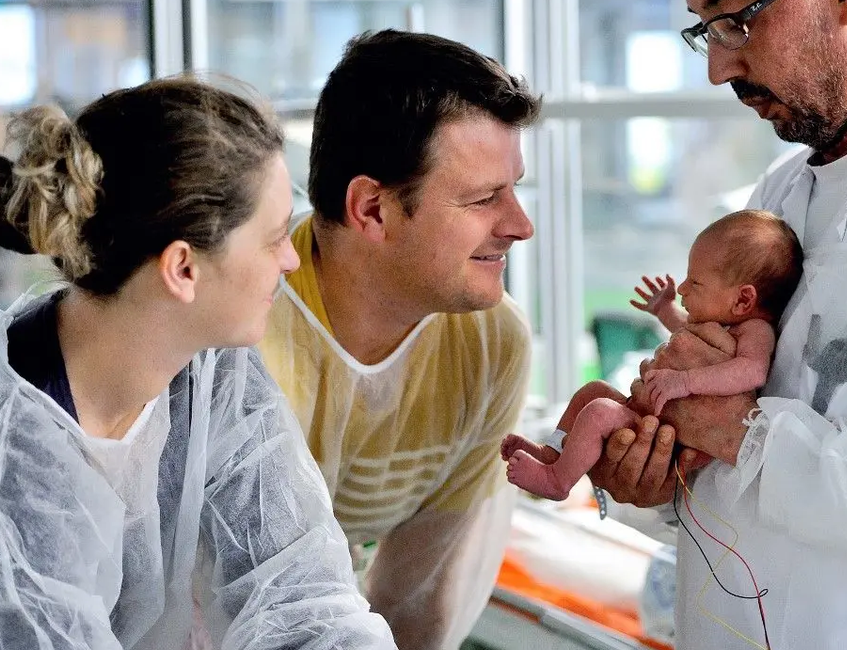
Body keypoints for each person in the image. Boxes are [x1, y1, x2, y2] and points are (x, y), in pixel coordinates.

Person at [589, 0, 847, 648]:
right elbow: (740, 486)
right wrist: (660, 470)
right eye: (704, 29)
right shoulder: (774, 201)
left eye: (734, 18)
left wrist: (744, 436)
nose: (717, 67)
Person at [0, 78, 397, 650]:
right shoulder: (16, 462)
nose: (290, 260)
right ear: (183, 269)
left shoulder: (208, 373)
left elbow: (301, 590)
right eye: (274, 237)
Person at [257, 30, 540, 650]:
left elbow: (418, 594)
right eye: (482, 198)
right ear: (373, 209)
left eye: (515, 187)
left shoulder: (493, 342)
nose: (522, 225)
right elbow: (208, 604)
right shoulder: (244, 340)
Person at [501, 210, 801, 501]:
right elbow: (685, 330)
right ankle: (553, 453)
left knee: (599, 411)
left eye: (694, 282)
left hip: (672, 439)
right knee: (591, 392)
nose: (683, 287)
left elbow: (752, 371)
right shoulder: (719, 322)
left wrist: (684, 382)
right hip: (649, 415)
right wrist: (664, 309)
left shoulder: (754, 331)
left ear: (743, 299)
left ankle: (558, 482)